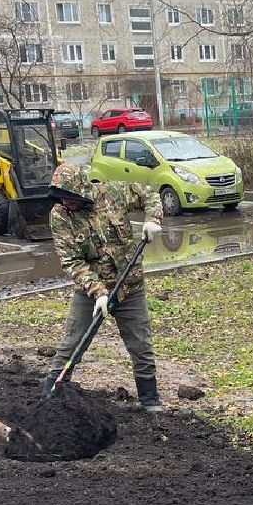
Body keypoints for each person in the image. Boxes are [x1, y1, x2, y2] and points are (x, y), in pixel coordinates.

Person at [45, 162, 165, 407]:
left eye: (70, 197)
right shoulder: (60, 216)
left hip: (128, 286)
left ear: (81, 190)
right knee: (72, 343)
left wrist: (152, 219)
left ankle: (150, 401)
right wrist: (98, 293)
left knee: (141, 344)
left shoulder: (113, 193)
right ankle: (51, 398)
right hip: (90, 291)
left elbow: (150, 194)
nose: (67, 203)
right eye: (62, 198)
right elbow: (72, 261)